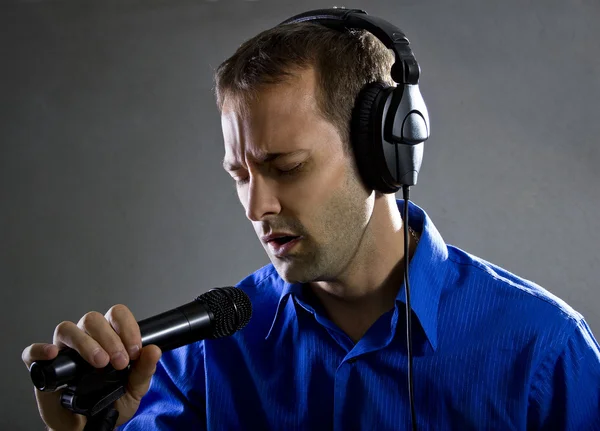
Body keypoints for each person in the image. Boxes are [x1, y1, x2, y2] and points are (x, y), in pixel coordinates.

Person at [22, 9, 600, 431]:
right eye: (240, 175)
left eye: (287, 167)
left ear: (385, 153)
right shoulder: (199, 359)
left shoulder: (545, 352)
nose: (256, 208)